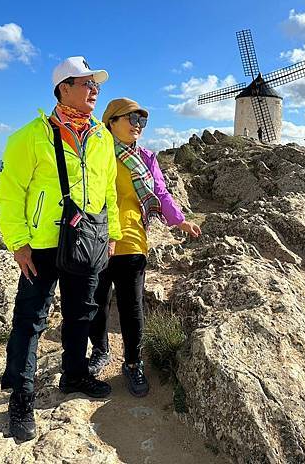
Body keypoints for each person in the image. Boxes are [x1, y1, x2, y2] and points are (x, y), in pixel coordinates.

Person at [0, 56, 122, 442]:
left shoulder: (101, 137)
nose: (94, 90)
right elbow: (10, 192)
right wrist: (18, 243)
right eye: (86, 83)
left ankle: (74, 374)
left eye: (96, 84)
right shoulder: (28, 136)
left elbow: (107, 191)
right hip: (40, 246)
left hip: (87, 241)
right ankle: (22, 397)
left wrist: (111, 233)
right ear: (63, 88)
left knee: (81, 313)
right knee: (30, 321)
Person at [88, 98, 201, 397]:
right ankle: (100, 351)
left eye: (142, 121)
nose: (138, 125)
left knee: (132, 307)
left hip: (133, 240)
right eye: (131, 119)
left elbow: (160, 193)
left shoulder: (147, 158)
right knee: (97, 302)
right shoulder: (96, 153)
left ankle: (133, 362)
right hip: (97, 240)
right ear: (111, 121)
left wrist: (180, 221)